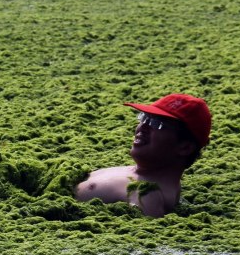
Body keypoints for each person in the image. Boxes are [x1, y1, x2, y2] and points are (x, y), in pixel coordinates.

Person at [75, 93, 211, 217]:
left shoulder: (148, 195)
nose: (143, 126)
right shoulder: (141, 177)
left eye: (157, 124)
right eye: (144, 118)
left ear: (185, 147)